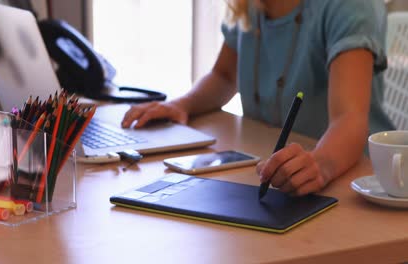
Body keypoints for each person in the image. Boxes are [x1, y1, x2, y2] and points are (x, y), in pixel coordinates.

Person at [121, 0, 395, 196]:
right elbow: (225, 77)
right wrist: (180, 105)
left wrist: (319, 166)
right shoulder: (248, 5)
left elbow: (349, 117)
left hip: (351, 178)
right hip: (273, 172)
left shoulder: (351, 6)